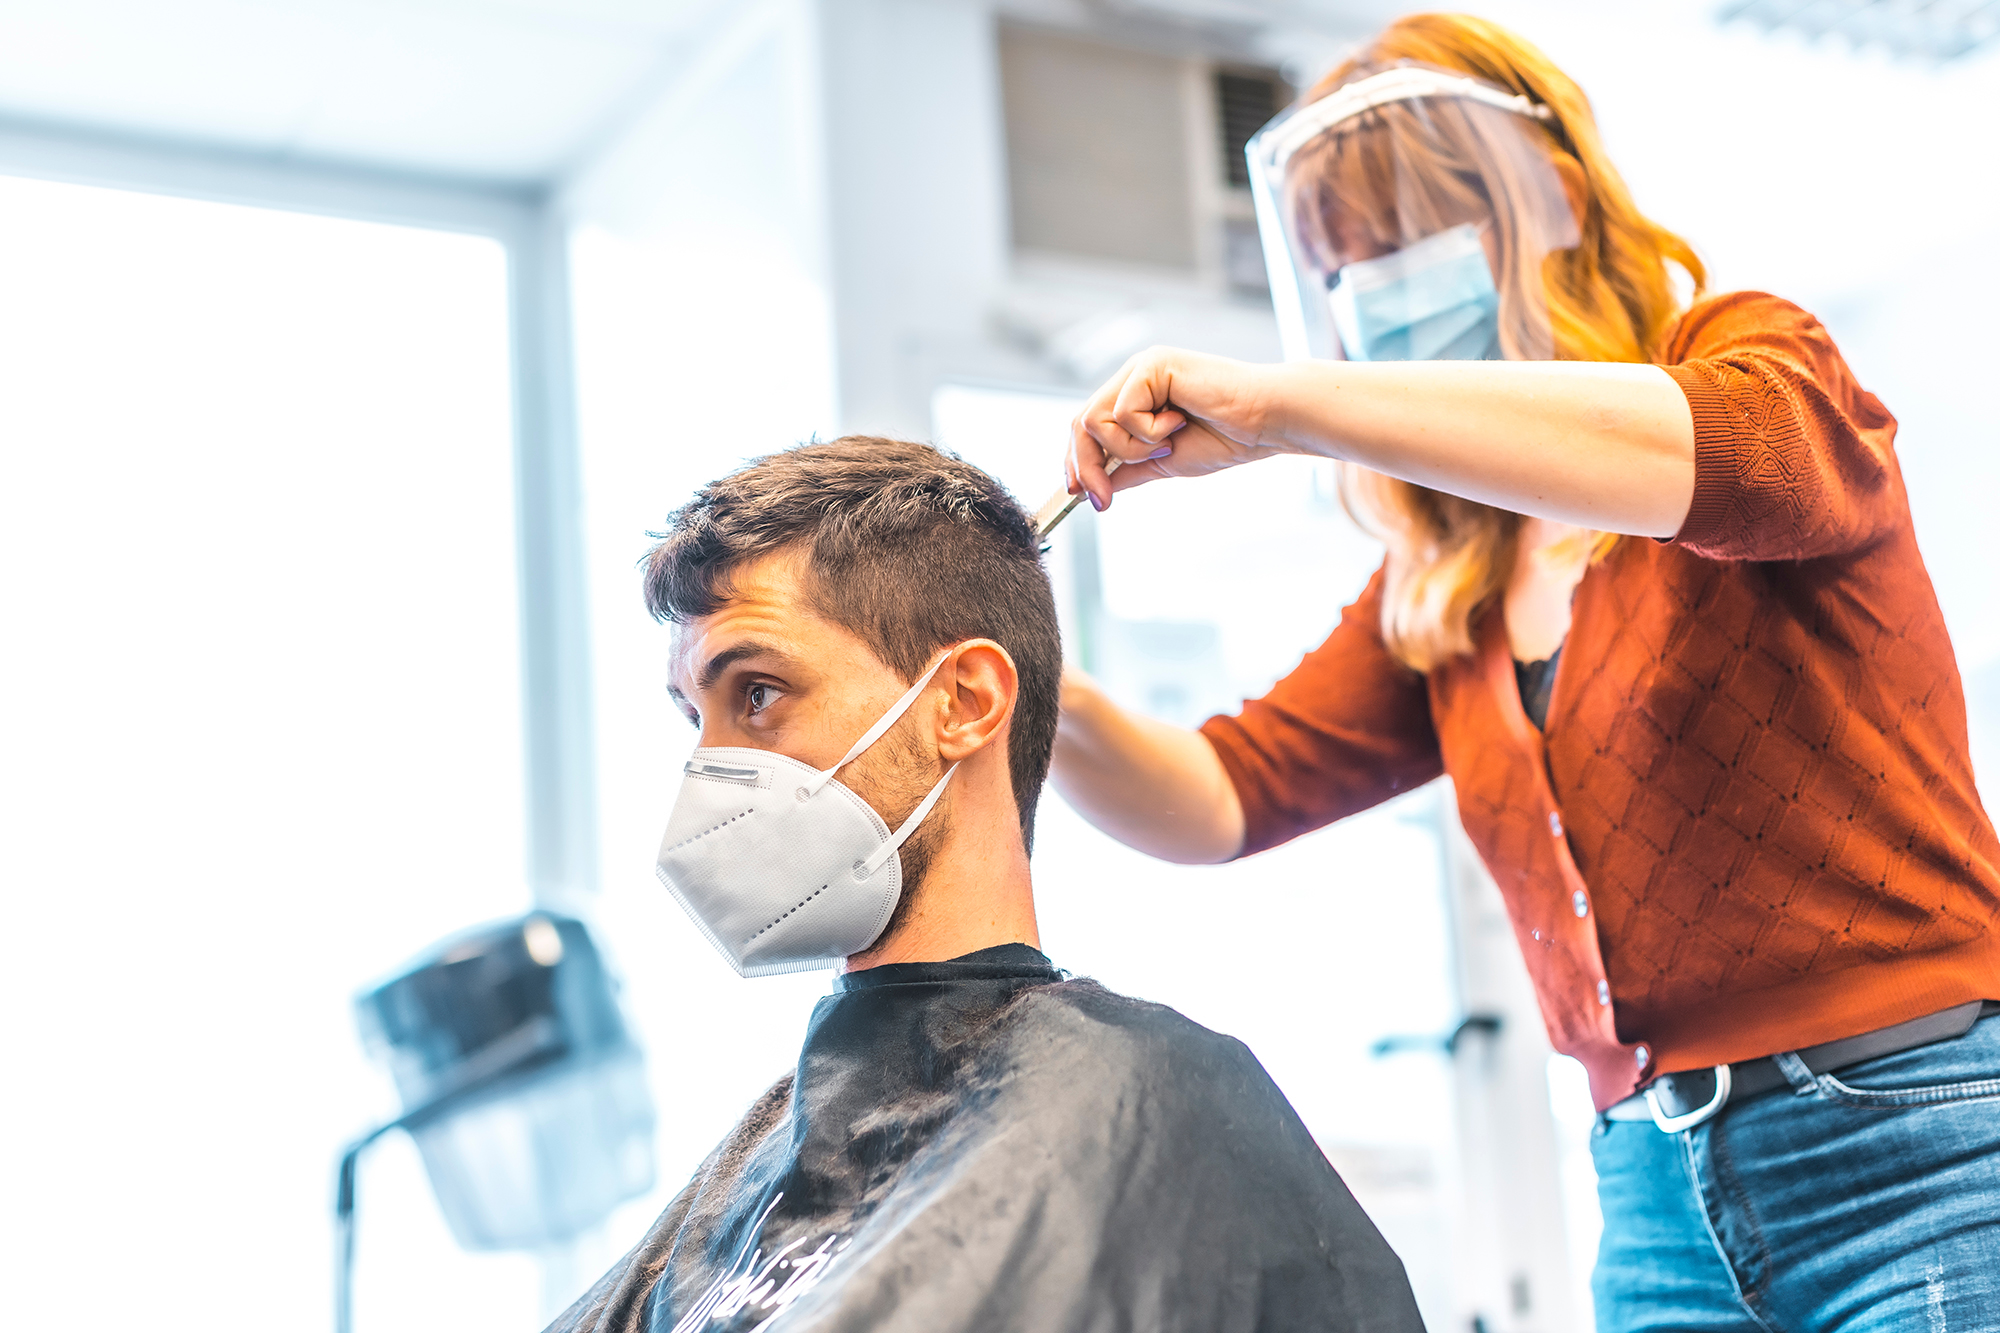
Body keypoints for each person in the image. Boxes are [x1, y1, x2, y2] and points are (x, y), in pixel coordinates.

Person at [1052, 13, 2000, 1332]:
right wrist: (1024, 682)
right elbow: (1222, 794)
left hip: (1918, 1145)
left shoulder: (1749, 360)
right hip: (1657, 1198)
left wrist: (1287, 407)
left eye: (1408, 239)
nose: (1374, 288)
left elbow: (1745, 461)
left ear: (1554, 197)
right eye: (1342, 266)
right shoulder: (1450, 584)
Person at [547, 438, 1426, 1333]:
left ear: (964, 701)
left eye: (760, 693)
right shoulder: (771, 1145)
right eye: (696, 717)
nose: (710, 771)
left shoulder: (1145, 1104)